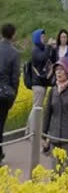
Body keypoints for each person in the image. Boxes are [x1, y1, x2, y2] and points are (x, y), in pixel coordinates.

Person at [0, 24, 19, 163]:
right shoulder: (14, 53)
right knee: (0, 124)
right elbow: (15, 78)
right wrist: (13, 96)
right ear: (12, 35)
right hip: (4, 94)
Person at [30, 29, 53, 108]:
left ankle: (36, 121)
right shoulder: (35, 50)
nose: (44, 38)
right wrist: (49, 46)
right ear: (37, 38)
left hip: (42, 82)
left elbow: (49, 59)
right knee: (37, 107)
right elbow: (43, 58)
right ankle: (32, 121)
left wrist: (52, 48)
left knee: (39, 107)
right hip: (38, 83)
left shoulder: (42, 49)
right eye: (42, 37)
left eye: (44, 36)